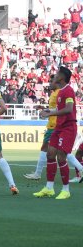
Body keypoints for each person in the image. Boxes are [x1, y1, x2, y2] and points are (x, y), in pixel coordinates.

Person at [34, 66, 80, 199]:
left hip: (68, 128)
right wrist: (48, 111)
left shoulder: (69, 91)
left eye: (58, 73)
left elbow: (69, 109)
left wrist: (50, 114)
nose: (56, 74)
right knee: (50, 154)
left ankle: (66, 190)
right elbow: (59, 108)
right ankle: (49, 188)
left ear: (62, 77)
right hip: (59, 127)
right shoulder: (60, 92)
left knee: (61, 157)